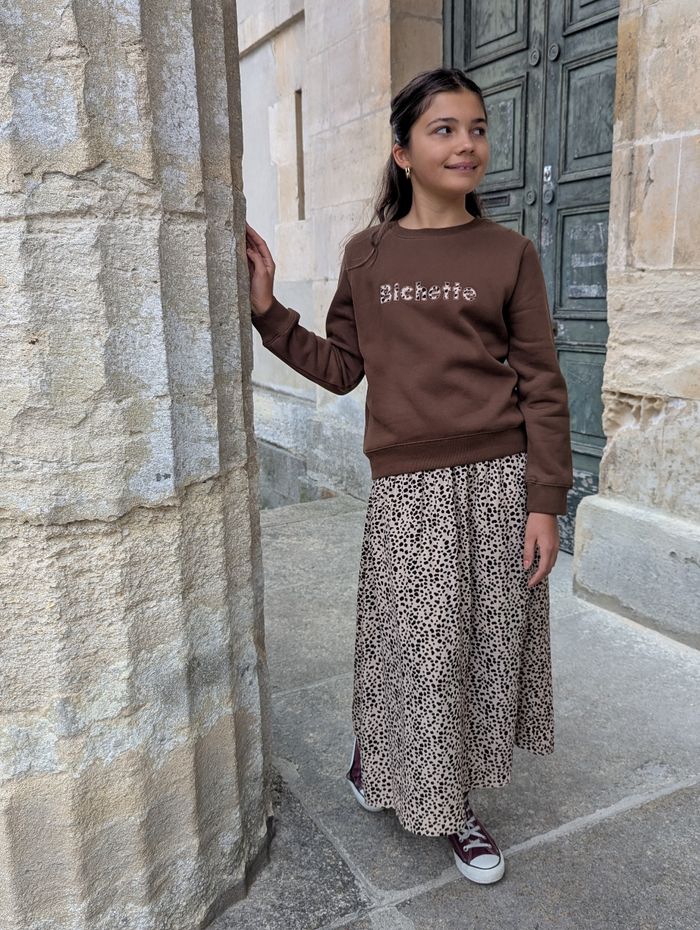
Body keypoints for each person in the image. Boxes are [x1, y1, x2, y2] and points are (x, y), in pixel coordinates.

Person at [245, 67, 573, 886]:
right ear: (402, 152)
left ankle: (437, 785)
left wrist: (545, 502)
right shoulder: (369, 255)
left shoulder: (510, 253)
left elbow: (541, 380)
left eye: (477, 128)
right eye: (445, 129)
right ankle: (414, 783)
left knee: (477, 649)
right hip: (411, 492)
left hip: (499, 482)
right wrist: (267, 312)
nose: (467, 143)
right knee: (417, 649)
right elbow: (342, 366)